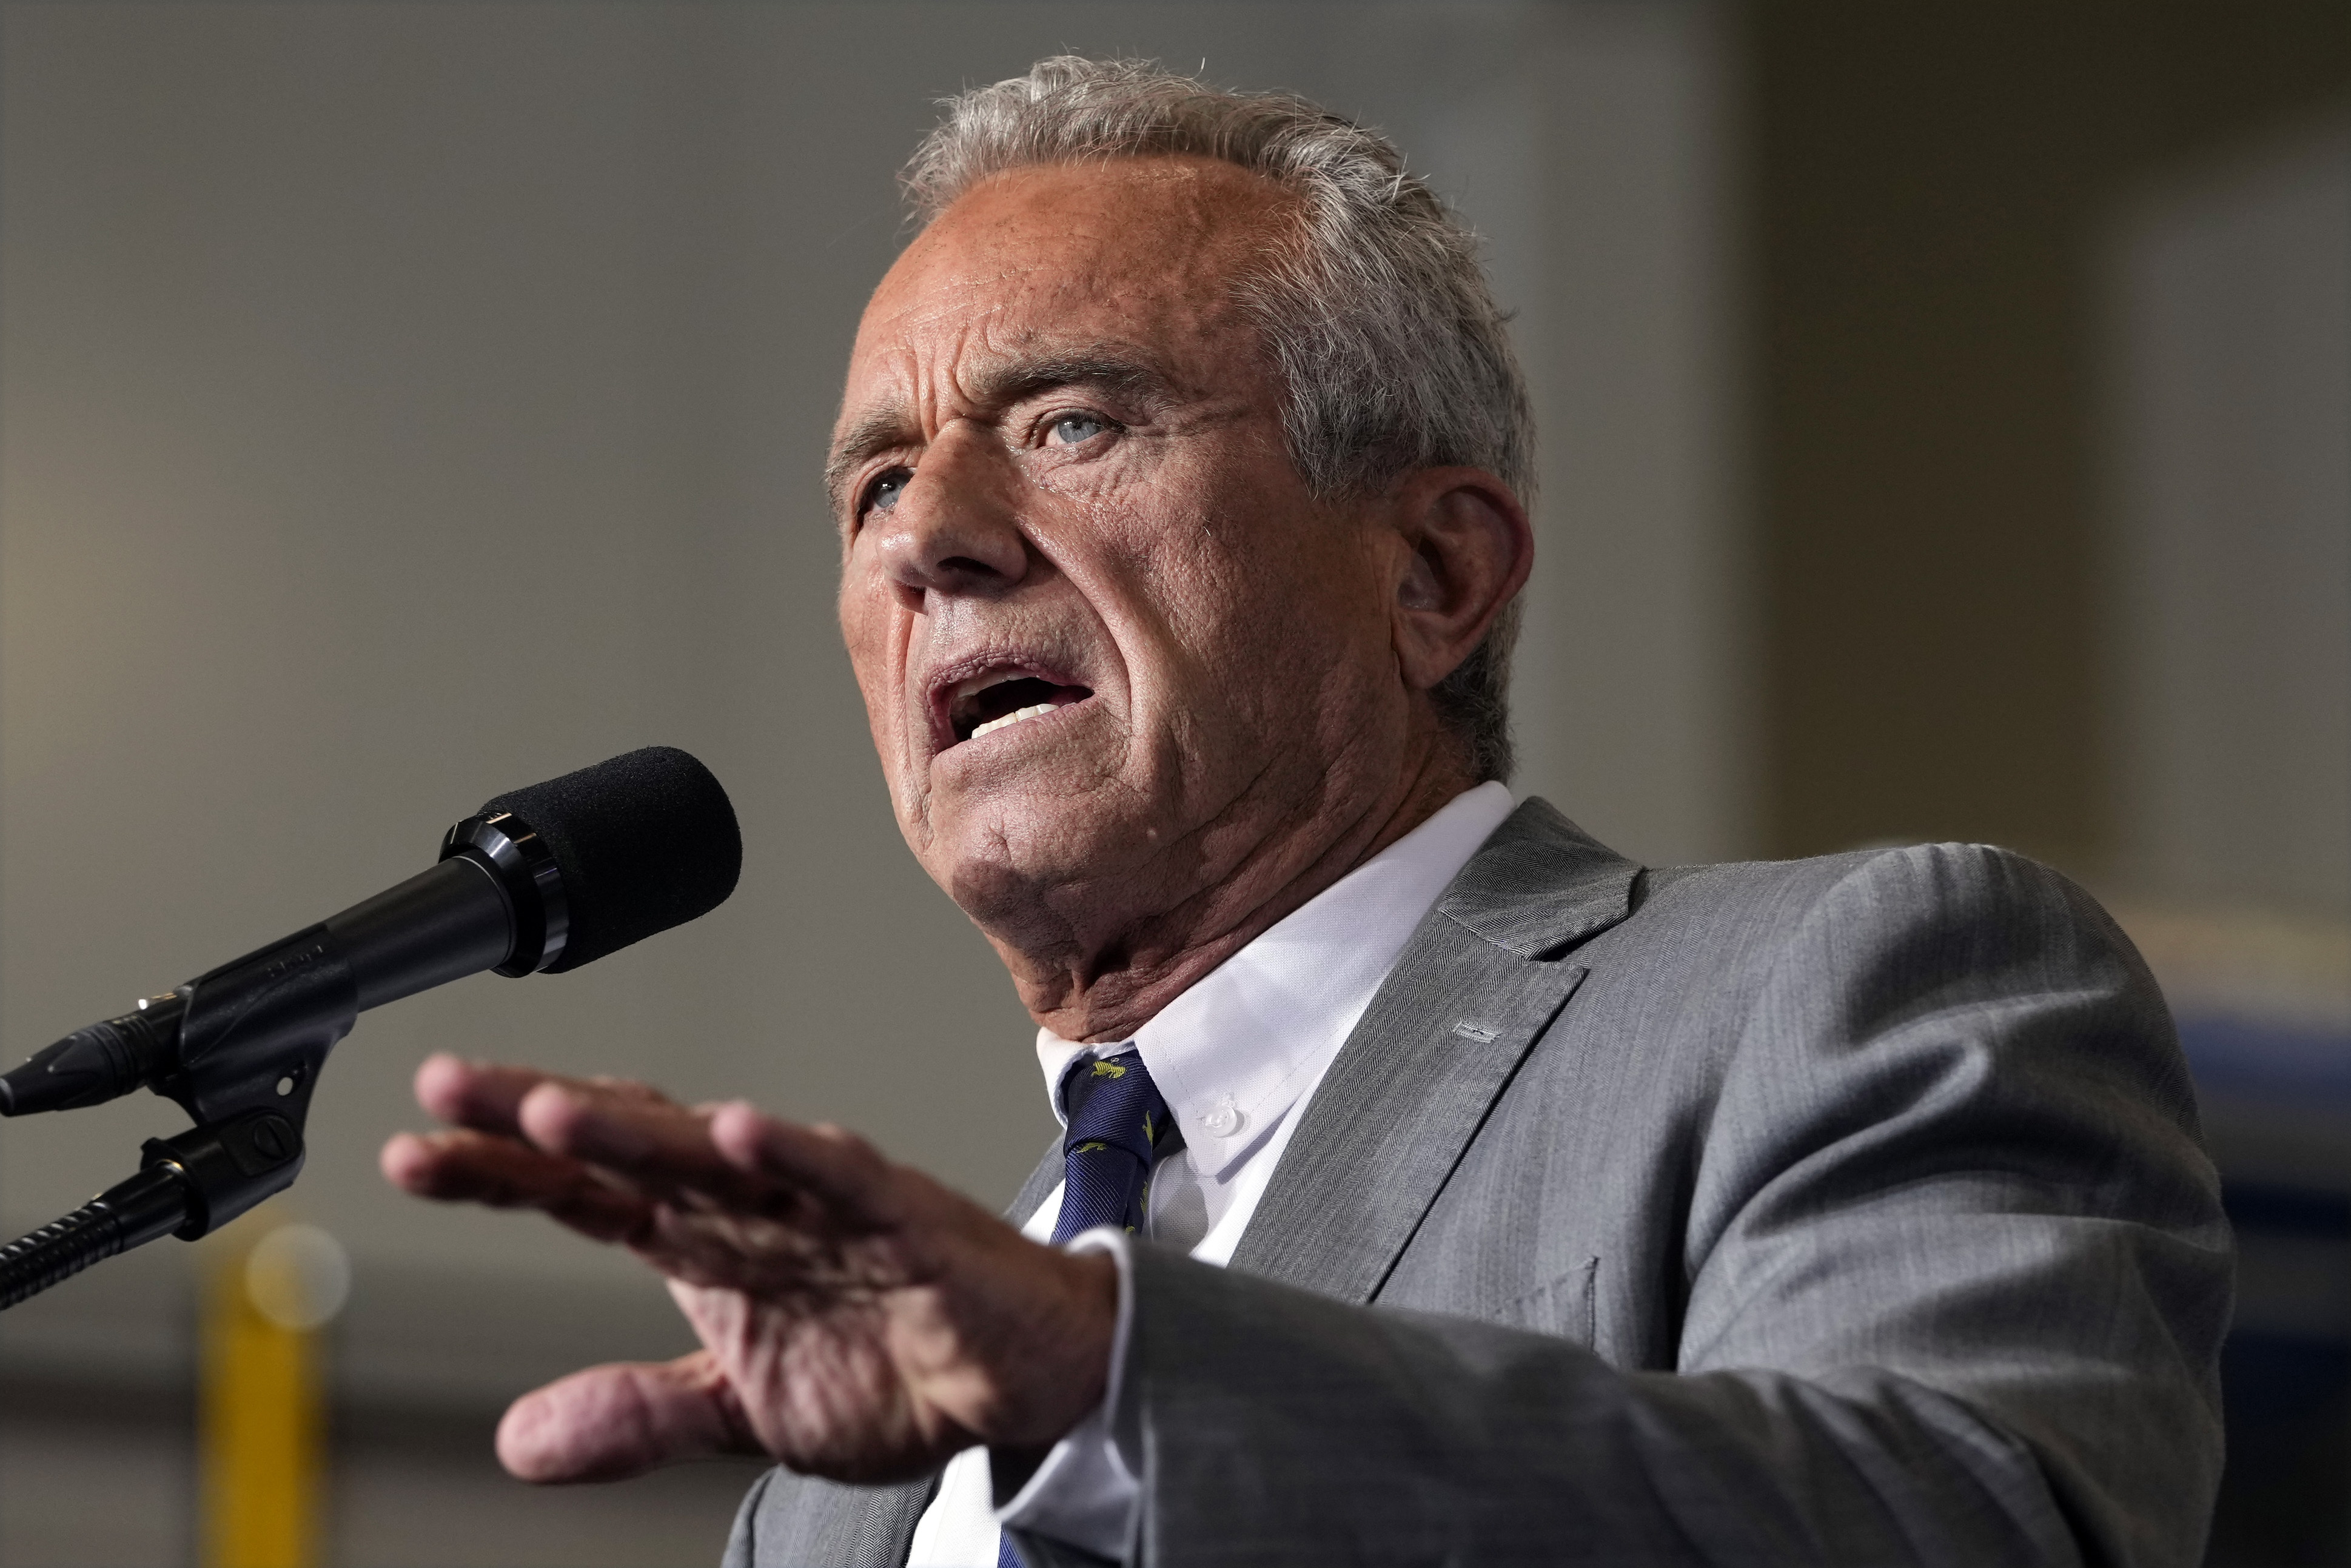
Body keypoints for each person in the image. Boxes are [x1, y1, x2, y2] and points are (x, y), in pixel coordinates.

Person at [381, 57, 2232, 1568]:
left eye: (1074, 423)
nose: (928, 536)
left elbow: (1970, 1521)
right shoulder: (844, 1466)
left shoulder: (1859, 989)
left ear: (1435, 571)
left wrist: (1120, 1384)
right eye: (874, 481)